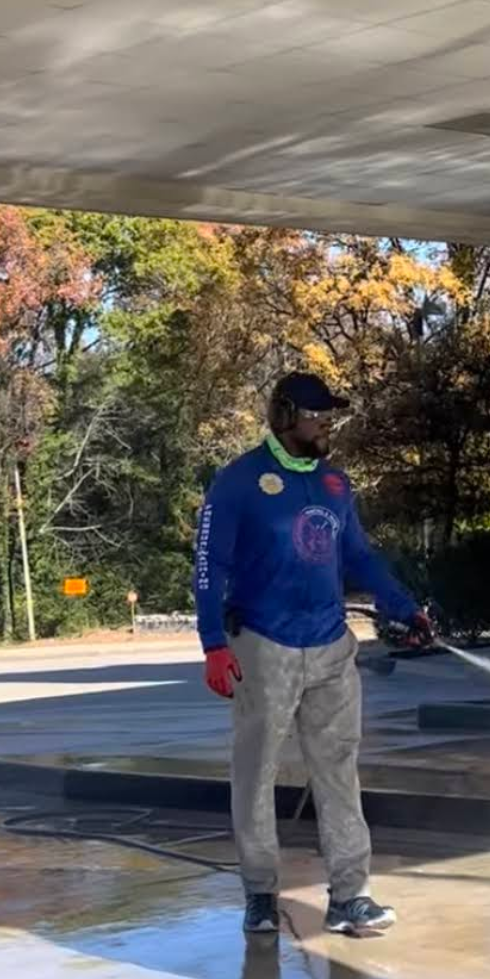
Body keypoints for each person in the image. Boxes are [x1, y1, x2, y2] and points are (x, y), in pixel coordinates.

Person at [193, 372, 432, 938]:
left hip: (330, 645)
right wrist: (213, 644)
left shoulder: (334, 485)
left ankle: (350, 896)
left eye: (329, 413)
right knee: (255, 774)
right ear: (284, 415)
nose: (327, 422)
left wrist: (403, 605)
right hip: (264, 645)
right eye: (317, 413)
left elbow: (360, 558)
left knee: (339, 770)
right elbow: (209, 567)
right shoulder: (239, 482)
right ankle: (259, 893)